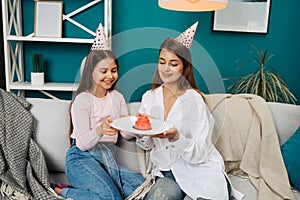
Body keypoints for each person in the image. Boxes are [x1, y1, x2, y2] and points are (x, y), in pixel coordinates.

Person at [136, 22, 242, 200]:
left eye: (173, 63)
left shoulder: (195, 100)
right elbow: (146, 144)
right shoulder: (149, 97)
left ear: (185, 67)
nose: (166, 68)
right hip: (167, 171)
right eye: (162, 62)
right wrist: (141, 130)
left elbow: (201, 151)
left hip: (200, 169)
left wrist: (176, 137)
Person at [53, 23, 145, 200]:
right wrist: (100, 129)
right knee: (112, 198)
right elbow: (82, 145)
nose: (110, 76)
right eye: (104, 71)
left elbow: (125, 135)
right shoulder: (82, 100)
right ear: (91, 71)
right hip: (81, 159)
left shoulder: (117, 97)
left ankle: (89, 194)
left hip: (107, 159)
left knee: (140, 187)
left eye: (114, 70)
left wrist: (133, 123)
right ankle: (62, 191)